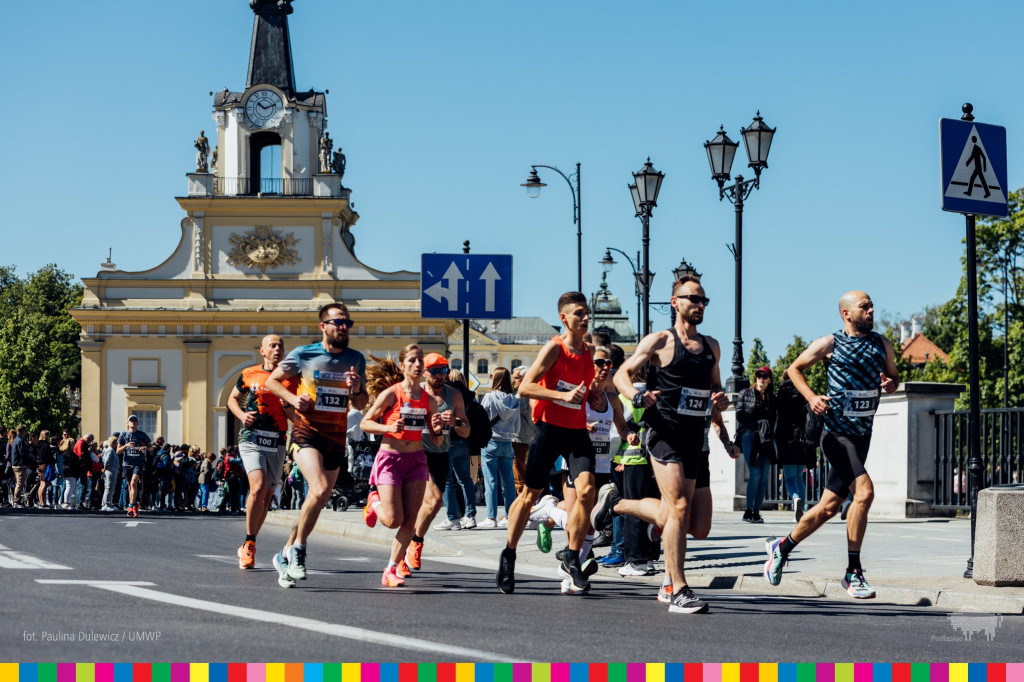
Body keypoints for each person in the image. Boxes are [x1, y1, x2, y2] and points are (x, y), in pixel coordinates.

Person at [595, 275, 728, 614]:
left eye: (703, 300)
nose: (699, 305)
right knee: (679, 508)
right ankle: (676, 587)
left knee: (696, 526)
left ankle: (618, 504)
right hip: (663, 433)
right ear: (675, 302)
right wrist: (636, 394)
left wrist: (720, 402)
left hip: (694, 438)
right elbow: (622, 374)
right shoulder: (660, 341)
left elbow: (715, 390)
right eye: (692, 299)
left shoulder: (712, 346)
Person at [764, 290, 900, 600]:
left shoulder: (882, 344)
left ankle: (780, 548)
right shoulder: (830, 344)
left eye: (872, 305)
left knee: (827, 509)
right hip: (836, 434)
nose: (871, 310)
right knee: (864, 492)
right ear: (846, 313)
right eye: (864, 306)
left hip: (862, 435)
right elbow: (793, 370)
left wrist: (892, 384)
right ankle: (853, 572)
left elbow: (894, 378)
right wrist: (812, 398)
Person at [496, 291, 597, 595]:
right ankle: (509, 554)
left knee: (588, 490)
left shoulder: (589, 351)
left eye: (587, 312)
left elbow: (586, 388)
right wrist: (562, 396)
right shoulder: (554, 349)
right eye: (578, 313)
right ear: (563, 318)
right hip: (548, 430)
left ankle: (571, 556)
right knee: (529, 496)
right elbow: (525, 387)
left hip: (577, 431)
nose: (585, 317)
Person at [266, 303, 367, 588]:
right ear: (323, 326)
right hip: (306, 433)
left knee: (318, 500)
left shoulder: (355, 359)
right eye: (338, 322)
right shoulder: (304, 354)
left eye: (348, 322)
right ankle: (298, 550)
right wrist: (294, 398)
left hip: (336, 438)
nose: (344, 327)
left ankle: (284, 553)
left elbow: (361, 403)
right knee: (320, 489)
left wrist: (357, 387)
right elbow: (274, 381)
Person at [360, 345, 443, 587]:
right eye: (412, 361)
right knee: (393, 520)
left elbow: (437, 439)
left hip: (416, 461)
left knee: (410, 521)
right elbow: (366, 423)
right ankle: (373, 501)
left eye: (420, 361)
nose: (418, 365)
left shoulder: (429, 400)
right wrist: (388, 428)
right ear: (403, 366)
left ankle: (390, 569)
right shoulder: (391, 394)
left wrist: (438, 428)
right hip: (390, 459)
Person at [228, 334, 297, 569]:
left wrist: (287, 403)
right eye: (273, 346)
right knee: (257, 487)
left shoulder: (291, 379)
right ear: (263, 351)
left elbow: (293, 417)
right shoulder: (249, 373)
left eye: (281, 346)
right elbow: (232, 399)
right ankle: (249, 543)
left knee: (267, 497)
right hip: (251, 438)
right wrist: (241, 415)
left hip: (277, 440)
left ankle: (250, 541)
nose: (278, 349)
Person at [406, 353, 469, 569]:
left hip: (441, 454)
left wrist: (455, 421)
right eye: (435, 371)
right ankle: (415, 542)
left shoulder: (454, 395)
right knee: (434, 500)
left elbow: (466, 430)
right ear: (425, 372)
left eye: (444, 370)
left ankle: (408, 544)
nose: (440, 375)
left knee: (430, 506)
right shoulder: (414, 393)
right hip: (416, 453)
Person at [774, 370, 823, 522]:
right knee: (799, 476)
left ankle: (796, 500)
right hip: (804, 439)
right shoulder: (804, 391)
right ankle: (803, 507)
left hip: (787, 439)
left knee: (789, 478)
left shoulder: (782, 393)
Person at [436, 369, 479, 530]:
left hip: (448, 440)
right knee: (466, 479)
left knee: (447, 480)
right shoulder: (467, 395)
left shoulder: (447, 393)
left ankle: (452, 517)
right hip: (464, 440)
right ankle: (470, 516)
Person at [479, 368, 520, 528]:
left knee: (491, 482)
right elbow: (517, 428)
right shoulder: (514, 400)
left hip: (491, 442)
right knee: (508, 482)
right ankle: (509, 516)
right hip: (508, 443)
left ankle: (491, 517)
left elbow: (483, 421)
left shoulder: (489, 397)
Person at [735, 366, 777, 523]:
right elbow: (739, 415)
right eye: (759, 375)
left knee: (764, 476)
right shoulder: (745, 393)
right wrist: (756, 427)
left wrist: (765, 429)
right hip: (749, 436)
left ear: (769, 380)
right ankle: (748, 510)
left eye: (764, 376)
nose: (761, 378)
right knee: (755, 473)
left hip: (766, 438)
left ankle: (756, 512)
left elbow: (774, 418)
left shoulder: (772, 397)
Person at [117, 417, 151, 517]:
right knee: (129, 486)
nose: (133, 422)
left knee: (133, 482)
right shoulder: (123, 434)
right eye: (131, 421)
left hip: (138, 463)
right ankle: (134, 506)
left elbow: (150, 447)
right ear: (127, 423)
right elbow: (118, 451)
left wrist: (145, 447)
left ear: (137, 423)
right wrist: (126, 445)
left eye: (135, 421)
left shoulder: (142, 434)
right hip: (127, 464)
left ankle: (131, 506)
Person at [510, 366, 534, 494]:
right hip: (529, 437)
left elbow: (509, 411)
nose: (513, 381)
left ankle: (522, 506)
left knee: (519, 475)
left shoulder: (522, 396)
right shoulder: (533, 393)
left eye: (516, 379)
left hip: (519, 439)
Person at [10, 426, 32, 508]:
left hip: (16, 464)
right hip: (20, 465)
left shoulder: (16, 440)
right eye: (25, 431)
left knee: (18, 483)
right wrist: (28, 451)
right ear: (22, 431)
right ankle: (17, 501)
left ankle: (17, 500)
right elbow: (22, 453)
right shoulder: (20, 441)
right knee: (20, 483)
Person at [35, 430, 55, 508]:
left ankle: (41, 501)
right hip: (46, 465)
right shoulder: (46, 445)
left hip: (40, 465)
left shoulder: (38, 444)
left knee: (41, 484)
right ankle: (43, 503)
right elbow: (49, 456)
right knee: (45, 484)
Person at [100, 436, 120, 511]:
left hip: (111, 469)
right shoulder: (110, 450)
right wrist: (105, 468)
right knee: (109, 487)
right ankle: (106, 504)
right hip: (111, 469)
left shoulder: (107, 450)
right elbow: (107, 460)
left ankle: (108, 503)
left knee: (110, 487)